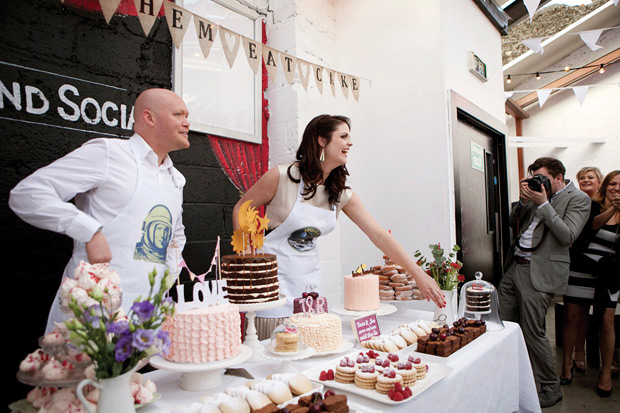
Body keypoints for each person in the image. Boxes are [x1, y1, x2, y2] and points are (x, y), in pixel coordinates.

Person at [232, 114, 445, 337]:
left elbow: (379, 235)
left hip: (309, 294)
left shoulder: (341, 194)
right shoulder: (283, 176)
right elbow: (241, 208)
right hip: (273, 293)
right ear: (321, 141)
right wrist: (246, 260)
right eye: (343, 136)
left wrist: (418, 274)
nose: (350, 143)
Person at [9, 88, 190, 333]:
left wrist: (163, 283)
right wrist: (89, 231)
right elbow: (28, 193)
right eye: (179, 114)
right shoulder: (108, 153)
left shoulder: (175, 179)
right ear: (150, 117)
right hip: (92, 314)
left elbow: (174, 238)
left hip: (147, 318)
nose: (187, 123)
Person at [498, 157, 590, 408]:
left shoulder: (579, 199)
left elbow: (567, 235)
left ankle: (550, 387)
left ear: (559, 177)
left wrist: (544, 204)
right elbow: (512, 222)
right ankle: (507, 377)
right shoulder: (536, 195)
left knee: (532, 332)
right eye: (535, 178)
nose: (539, 183)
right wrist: (524, 200)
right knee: (501, 325)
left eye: (544, 179)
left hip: (539, 273)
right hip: (514, 266)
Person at [561, 166, 603, 378]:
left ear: (599, 181)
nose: (586, 180)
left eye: (590, 177)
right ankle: (575, 355)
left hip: (599, 268)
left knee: (597, 317)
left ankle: (594, 355)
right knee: (574, 315)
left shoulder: (605, 206)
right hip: (576, 264)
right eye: (582, 178)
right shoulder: (575, 202)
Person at [586, 171, 619, 397]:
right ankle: (574, 361)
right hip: (585, 270)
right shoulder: (593, 206)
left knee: (607, 322)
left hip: (611, 274)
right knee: (574, 317)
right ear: (605, 185)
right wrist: (614, 209)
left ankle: (605, 371)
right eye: (613, 184)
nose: (616, 188)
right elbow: (592, 227)